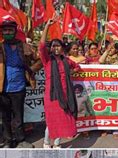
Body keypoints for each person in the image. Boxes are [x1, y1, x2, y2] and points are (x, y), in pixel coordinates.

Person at [40, 18, 81, 147]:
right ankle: (46, 143)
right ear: (50, 48)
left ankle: (57, 143)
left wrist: (72, 73)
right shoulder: (47, 60)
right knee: (52, 121)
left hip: (65, 94)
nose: (56, 48)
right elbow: (41, 45)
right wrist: (47, 26)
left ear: (62, 48)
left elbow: (77, 67)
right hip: (52, 96)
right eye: (53, 46)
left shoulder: (66, 60)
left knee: (63, 121)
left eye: (58, 46)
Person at [0, 20, 36, 148]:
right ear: (2, 32)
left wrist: (32, 70)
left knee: (19, 115)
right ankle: (8, 141)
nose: (8, 32)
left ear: (15, 32)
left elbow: (38, 59)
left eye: (10, 30)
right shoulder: (0, 47)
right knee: (5, 116)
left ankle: (21, 140)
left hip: (19, 87)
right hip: (2, 88)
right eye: (5, 30)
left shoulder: (24, 46)